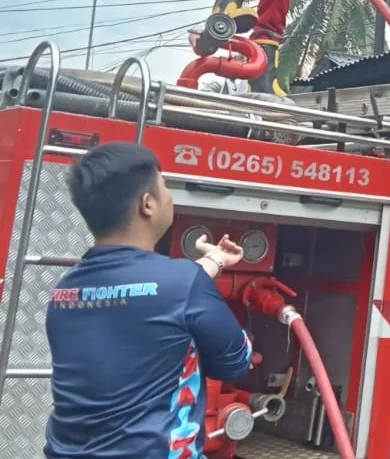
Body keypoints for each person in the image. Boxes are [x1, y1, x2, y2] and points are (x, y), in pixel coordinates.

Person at [44, 143, 251, 459]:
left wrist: (216, 261)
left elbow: (152, 291)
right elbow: (235, 362)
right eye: (165, 187)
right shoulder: (182, 284)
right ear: (147, 204)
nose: (170, 197)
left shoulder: (65, 290)